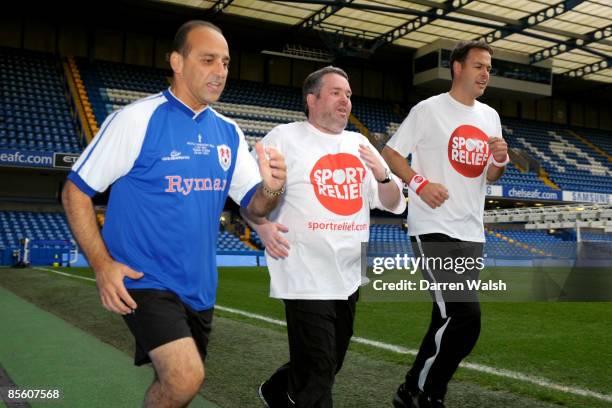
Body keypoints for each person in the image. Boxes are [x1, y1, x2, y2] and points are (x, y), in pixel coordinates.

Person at [62, 20, 286, 408]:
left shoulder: (229, 133)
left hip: (199, 287)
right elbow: (75, 192)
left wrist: (271, 187)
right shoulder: (137, 120)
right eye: (208, 60)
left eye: (227, 63)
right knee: (185, 378)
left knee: (175, 385)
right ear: (177, 62)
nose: (220, 71)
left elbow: (255, 205)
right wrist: (102, 265)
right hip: (143, 277)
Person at [244, 66, 406, 408]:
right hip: (303, 271)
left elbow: (395, 205)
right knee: (319, 370)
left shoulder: (360, 143)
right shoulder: (284, 138)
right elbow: (248, 197)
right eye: (336, 92)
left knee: (328, 363)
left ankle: (276, 391)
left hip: (348, 274)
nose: (345, 100)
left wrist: (382, 176)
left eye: (348, 94)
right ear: (312, 99)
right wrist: (263, 222)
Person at [382, 40, 508, 408]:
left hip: (472, 231)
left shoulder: (490, 117)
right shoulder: (429, 110)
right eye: (479, 66)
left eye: (489, 67)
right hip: (433, 226)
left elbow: (489, 176)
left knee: (447, 319)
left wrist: (499, 160)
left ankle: (420, 392)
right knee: (465, 316)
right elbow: (391, 153)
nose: (486, 73)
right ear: (457, 68)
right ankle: (421, 390)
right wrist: (420, 183)